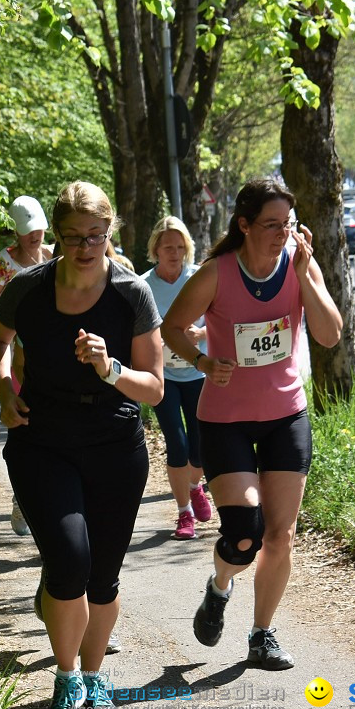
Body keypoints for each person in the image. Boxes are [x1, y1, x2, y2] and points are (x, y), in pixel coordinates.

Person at [0, 181, 163, 709]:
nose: (86, 247)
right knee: (69, 561)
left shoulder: (131, 293)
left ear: (110, 233)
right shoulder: (31, 289)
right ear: (55, 237)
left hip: (114, 443)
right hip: (43, 439)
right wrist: (3, 391)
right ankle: (66, 681)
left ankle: (95, 677)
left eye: (96, 235)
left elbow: (153, 386)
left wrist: (110, 369)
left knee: (102, 575)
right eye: (73, 237)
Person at [160, 178, 342, 671]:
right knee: (244, 533)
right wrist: (200, 361)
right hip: (225, 421)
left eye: (288, 223)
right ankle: (220, 587)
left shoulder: (299, 264)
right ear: (244, 225)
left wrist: (305, 276)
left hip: (286, 416)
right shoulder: (216, 273)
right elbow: (170, 328)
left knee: (280, 535)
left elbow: (329, 335)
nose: (283, 233)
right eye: (271, 225)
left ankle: (262, 634)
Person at [0, 195, 54, 537]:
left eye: (39, 229)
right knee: (24, 432)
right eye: (28, 231)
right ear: (16, 233)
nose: (35, 236)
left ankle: (49, 499)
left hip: (53, 355)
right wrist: (19, 316)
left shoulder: (55, 255)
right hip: (15, 357)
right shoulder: (3, 264)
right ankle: (23, 497)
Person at [141, 216, 213, 540]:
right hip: (164, 376)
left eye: (180, 246)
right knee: (177, 444)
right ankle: (184, 514)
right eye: (167, 246)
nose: (174, 252)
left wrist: (201, 332)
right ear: (155, 249)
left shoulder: (199, 277)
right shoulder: (144, 285)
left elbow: (224, 319)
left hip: (198, 371)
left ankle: (196, 486)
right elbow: (137, 331)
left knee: (199, 447)